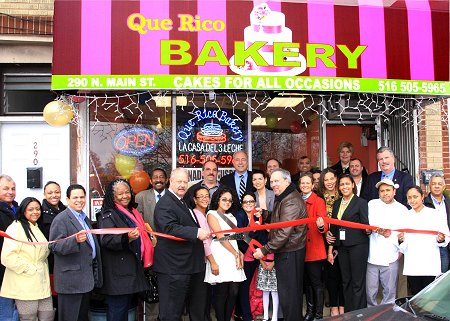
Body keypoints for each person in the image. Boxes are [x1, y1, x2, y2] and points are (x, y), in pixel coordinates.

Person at [153, 168, 210, 321]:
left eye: (185, 182)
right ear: (170, 182)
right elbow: (169, 227)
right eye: (179, 181)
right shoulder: (165, 203)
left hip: (188, 266)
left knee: (188, 309)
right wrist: (197, 232)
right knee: (171, 313)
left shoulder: (182, 201)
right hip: (173, 268)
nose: (182, 185)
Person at [254, 168, 308, 321]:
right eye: (272, 181)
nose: (273, 184)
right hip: (288, 251)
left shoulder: (291, 201)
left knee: (289, 293)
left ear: (287, 181)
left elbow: (284, 232)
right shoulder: (284, 197)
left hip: (290, 252)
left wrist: (264, 250)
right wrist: (265, 214)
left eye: (277, 181)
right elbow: (280, 219)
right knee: (288, 292)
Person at [97, 179, 153, 321]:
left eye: (127, 192)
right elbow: (106, 240)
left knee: (125, 310)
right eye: (120, 194)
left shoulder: (133, 212)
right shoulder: (108, 214)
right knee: (118, 311)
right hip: (118, 275)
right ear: (112, 196)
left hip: (130, 272)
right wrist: (126, 238)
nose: (125, 196)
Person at [49, 184, 103, 321]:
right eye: (75, 197)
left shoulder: (84, 218)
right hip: (71, 283)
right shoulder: (61, 219)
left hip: (84, 281)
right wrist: (74, 240)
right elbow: (54, 246)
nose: (79, 200)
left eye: (82, 197)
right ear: (67, 200)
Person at [1, 197, 54, 321]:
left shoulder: (36, 226)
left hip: (42, 282)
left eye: (37, 209)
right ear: (23, 211)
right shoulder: (16, 227)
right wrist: (29, 269)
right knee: (28, 318)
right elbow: (7, 256)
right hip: (24, 283)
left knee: (47, 316)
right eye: (30, 209)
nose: (35, 212)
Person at [328, 174, 369, 312]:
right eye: (341, 184)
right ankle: (350, 313)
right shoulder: (337, 203)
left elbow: (365, 225)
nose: (344, 187)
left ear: (353, 185)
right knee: (346, 281)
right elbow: (333, 227)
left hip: (358, 246)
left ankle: (360, 313)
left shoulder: (361, 202)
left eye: (347, 184)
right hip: (342, 247)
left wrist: (371, 230)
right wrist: (330, 250)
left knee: (358, 282)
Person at [399, 186, 449, 295]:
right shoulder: (405, 216)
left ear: (422, 197)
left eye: (415, 197)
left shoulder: (434, 214)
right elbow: (401, 243)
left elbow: (446, 235)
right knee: (415, 295)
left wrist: (441, 239)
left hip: (429, 262)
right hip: (413, 263)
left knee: (429, 296)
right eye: (409, 197)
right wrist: (401, 240)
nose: (412, 200)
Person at [205, 187, 246, 321]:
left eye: (230, 200)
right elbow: (220, 237)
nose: (227, 202)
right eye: (224, 199)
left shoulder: (231, 215)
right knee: (222, 292)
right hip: (221, 253)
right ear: (217, 199)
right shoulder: (211, 214)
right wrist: (236, 253)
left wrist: (239, 253)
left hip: (233, 251)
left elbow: (235, 236)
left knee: (234, 292)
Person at [366, 178, 408, 306]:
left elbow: (406, 233)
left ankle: (387, 314)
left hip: (391, 255)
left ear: (394, 191)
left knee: (389, 291)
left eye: (388, 190)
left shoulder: (402, 209)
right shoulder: (371, 204)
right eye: (382, 191)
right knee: (370, 290)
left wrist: (401, 251)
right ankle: (371, 314)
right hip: (372, 254)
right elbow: (366, 226)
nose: (385, 193)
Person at [299, 173, 327, 320]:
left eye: (307, 183)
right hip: (300, 247)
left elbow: (324, 224)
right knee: (307, 283)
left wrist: (321, 226)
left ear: (312, 185)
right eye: (302, 183)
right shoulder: (297, 200)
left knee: (316, 282)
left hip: (314, 247)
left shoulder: (318, 201)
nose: (304, 185)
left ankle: (318, 313)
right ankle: (310, 312)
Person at [236, 192, 267, 321]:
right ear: (242, 205)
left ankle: (239, 312)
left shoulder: (258, 216)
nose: (248, 204)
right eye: (245, 202)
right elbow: (238, 237)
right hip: (244, 256)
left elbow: (263, 235)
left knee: (248, 285)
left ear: (255, 203)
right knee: (244, 287)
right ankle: (247, 316)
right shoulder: (239, 216)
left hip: (255, 256)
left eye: (251, 201)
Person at [317, 168, 344, 316]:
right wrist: (326, 232)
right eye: (326, 179)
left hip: (344, 239)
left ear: (336, 179)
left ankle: (343, 305)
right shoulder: (319, 197)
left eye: (332, 179)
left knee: (344, 275)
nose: (329, 182)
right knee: (331, 275)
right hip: (326, 239)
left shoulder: (344, 194)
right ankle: (334, 306)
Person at [191, 186, 217, 321]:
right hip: (201, 261)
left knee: (205, 298)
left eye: (206, 195)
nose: (204, 198)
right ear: (195, 199)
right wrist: (212, 261)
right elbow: (205, 242)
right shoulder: (197, 214)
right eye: (201, 196)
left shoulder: (206, 214)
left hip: (205, 261)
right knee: (199, 298)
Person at [0, 174, 19, 321]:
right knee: (6, 312)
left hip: (18, 269)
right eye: (5, 188)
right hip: (3, 270)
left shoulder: (18, 209)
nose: (10, 192)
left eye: (13, 188)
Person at [423, 174, 450, 273]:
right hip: (429, 247)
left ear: (444, 186)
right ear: (429, 186)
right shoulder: (423, 204)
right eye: (434, 184)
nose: (437, 186)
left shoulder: (448, 203)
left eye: (439, 184)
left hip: (445, 247)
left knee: (443, 278)